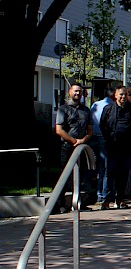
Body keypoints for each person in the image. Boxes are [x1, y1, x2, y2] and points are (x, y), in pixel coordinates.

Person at [100, 85, 131, 210]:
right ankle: (106, 200)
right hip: (112, 146)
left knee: (123, 174)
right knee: (109, 173)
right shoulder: (108, 109)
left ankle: (120, 199)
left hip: (128, 148)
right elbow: (103, 125)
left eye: (126, 94)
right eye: (121, 94)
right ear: (115, 95)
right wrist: (108, 139)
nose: (123, 97)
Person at [55, 82, 93, 210]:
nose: (77, 93)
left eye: (80, 92)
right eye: (75, 91)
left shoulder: (86, 110)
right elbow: (59, 130)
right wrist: (73, 141)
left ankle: (77, 203)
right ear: (70, 92)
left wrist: (83, 140)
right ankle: (60, 204)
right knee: (65, 174)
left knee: (80, 175)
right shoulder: (63, 109)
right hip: (67, 146)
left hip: (82, 147)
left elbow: (90, 130)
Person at [90, 88, 114, 206]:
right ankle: (102, 195)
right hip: (105, 138)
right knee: (104, 167)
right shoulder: (112, 106)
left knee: (94, 166)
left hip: (93, 138)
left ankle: (97, 193)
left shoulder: (95, 104)